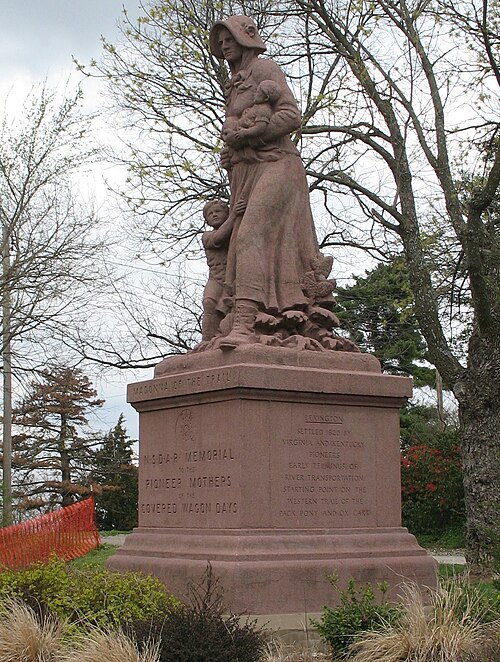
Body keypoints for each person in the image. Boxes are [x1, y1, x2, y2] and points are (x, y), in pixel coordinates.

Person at [208, 15, 349, 352]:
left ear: (245, 39)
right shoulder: (234, 83)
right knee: (244, 239)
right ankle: (249, 319)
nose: (224, 45)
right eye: (221, 41)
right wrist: (232, 153)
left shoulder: (265, 69)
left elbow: (290, 115)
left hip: (278, 166)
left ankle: (244, 323)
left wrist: (247, 138)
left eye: (229, 38)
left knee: (249, 234)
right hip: (248, 172)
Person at [200, 198, 245, 341]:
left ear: (226, 213)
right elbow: (219, 238)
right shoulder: (207, 236)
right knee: (209, 302)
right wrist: (234, 216)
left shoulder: (238, 231)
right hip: (216, 279)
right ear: (206, 220)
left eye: (218, 211)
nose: (214, 215)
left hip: (234, 279)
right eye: (210, 214)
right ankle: (207, 339)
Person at [221, 79, 281, 147]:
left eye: (258, 92)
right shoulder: (257, 106)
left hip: (242, 132)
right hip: (239, 126)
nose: (254, 93)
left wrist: (245, 133)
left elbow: (260, 128)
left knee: (229, 128)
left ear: (266, 98)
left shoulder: (264, 110)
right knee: (228, 121)